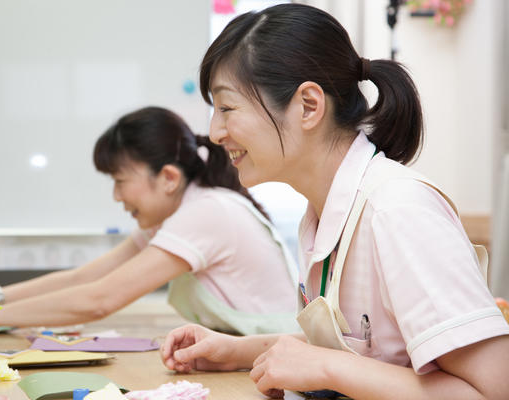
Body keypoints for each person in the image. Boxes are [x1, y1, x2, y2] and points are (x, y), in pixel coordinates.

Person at [160, 4, 509, 399]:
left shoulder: (397, 211)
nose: (215, 132)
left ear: (308, 106)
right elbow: (369, 351)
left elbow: (495, 391)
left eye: (226, 107)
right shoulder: (324, 213)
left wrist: (329, 368)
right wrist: (236, 351)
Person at [0, 106, 299, 335]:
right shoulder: (174, 216)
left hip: (273, 363)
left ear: (169, 178)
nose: (117, 197)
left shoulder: (207, 212)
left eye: (120, 181)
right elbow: (83, 279)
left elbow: (99, 299)